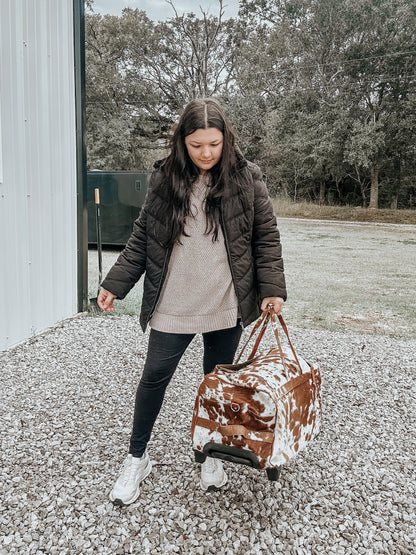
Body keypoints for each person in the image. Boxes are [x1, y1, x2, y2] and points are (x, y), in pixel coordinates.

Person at [98, 98, 287, 506]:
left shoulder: (247, 178)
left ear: (226, 139)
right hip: (173, 303)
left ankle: (208, 455)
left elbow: (265, 238)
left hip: (225, 302)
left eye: (214, 144)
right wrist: (116, 282)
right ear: (182, 142)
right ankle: (137, 457)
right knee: (153, 380)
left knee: (215, 385)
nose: (205, 153)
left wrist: (272, 288)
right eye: (196, 144)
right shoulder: (164, 180)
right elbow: (142, 237)